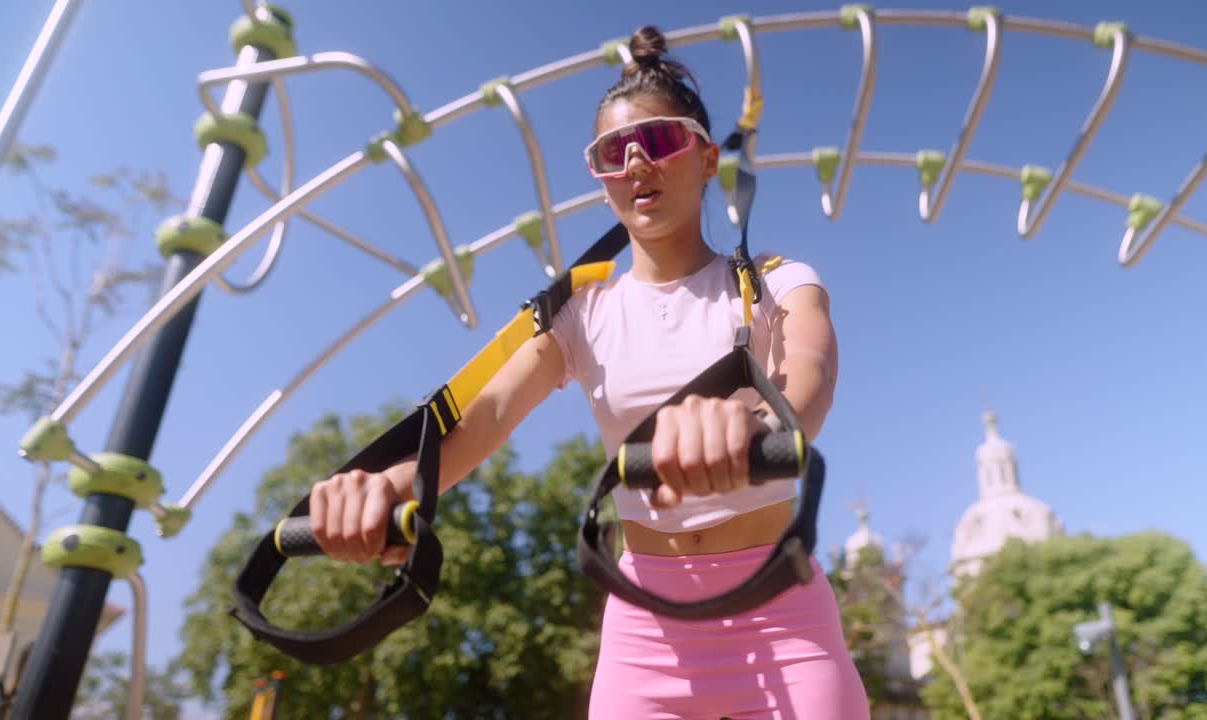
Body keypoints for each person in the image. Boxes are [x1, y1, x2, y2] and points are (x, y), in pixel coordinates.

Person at [309, 25, 870, 720]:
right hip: (647, 632)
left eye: (660, 141)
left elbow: (807, 374)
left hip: (783, 620)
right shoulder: (579, 313)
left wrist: (754, 421)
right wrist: (381, 490)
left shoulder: (776, 282)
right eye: (613, 152)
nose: (637, 163)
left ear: (703, 158)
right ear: (602, 179)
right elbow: (483, 418)